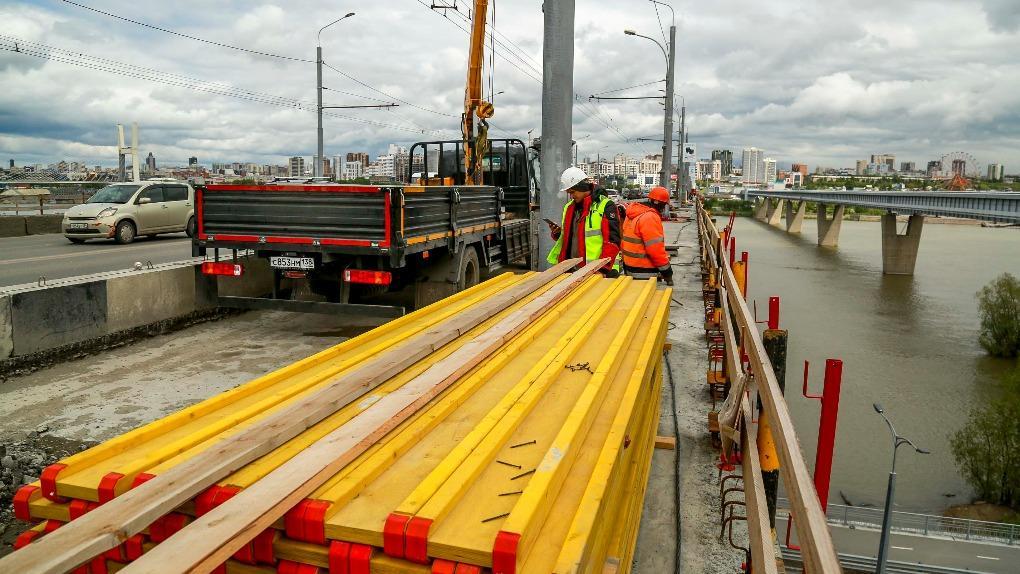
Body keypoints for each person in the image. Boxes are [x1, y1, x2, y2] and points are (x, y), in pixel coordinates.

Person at [546, 167, 621, 276]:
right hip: (571, 270)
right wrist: (558, 233)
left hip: (598, 272)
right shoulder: (569, 208)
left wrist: (602, 270)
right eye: (569, 193)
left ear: (582, 187)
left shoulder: (605, 206)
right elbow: (571, 238)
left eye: (572, 192)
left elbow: (612, 242)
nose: (571, 196)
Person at [621, 186, 673, 285]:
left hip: (629, 268)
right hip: (645, 272)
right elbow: (655, 250)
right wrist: (667, 272)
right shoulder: (650, 217)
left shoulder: (633, 213)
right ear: (659, 203)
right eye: (664, 205)